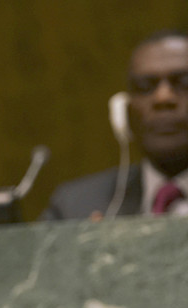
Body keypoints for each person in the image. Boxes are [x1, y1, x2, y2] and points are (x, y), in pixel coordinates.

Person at [42, 29, 188, 220]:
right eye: (145, 87)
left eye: (184, 82)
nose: (163, 98)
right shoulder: (73, 206)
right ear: (123, 112)